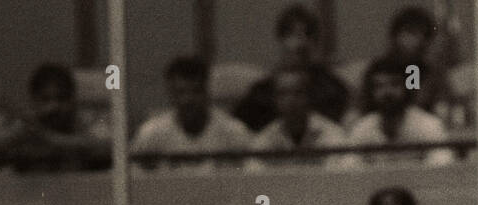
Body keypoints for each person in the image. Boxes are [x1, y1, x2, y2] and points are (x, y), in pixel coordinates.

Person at [233, 3, 350, 132]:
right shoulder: (261, 92)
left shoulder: (333, 89)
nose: (301, 42)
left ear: (315, 42)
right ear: (281, 40)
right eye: (292, 34)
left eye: (308, 34)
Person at [0, 63, 110, 172]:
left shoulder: (85, 122)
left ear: (73, 99)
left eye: (61, 98)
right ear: (33, 100)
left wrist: (47, 137)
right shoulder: (25, 127)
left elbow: (105, 147)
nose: (54, 106)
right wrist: (20, 135)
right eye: (45, 99)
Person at [130, 56, 251, 167]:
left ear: (207, 91)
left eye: (196, 91)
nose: (188, 100)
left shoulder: (234, 132)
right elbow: (131, 176)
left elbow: (253, 176)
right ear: (170, 94)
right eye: (180, 92)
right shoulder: (151, 133)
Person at [344, 54, 451, 165]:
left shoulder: (429, 125)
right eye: (379, 86)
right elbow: (349, 171)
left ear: (407, 88)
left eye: (394, 84)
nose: (387, 92)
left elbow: (442, 167)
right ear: (371, 92)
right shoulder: (361, 129)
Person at [252, 63, 351, 165]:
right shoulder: (263, 141)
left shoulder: (332, 135)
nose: (290, 100)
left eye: (298, 93)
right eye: (283, 94)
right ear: (274, 99)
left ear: (310, 96)